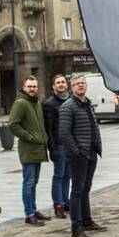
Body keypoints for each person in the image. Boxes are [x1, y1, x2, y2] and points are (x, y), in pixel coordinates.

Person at [59, 74, 106, 237]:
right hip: (79, 155)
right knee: (77, 190)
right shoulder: (68, 106)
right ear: (71, 87)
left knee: (85, 188)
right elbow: (64, 133)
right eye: (77, 84)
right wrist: (76, 152)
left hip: (91, 153)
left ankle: (87, 221)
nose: (80, 86)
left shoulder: (87, 104)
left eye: (82, 83)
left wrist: (95, 148)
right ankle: (76, 227)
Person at [7, 75, 52, 226]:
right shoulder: (21, 103)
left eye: (34, 86)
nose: (32, 89)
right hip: (29, 148)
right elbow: (13, 125)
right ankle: (29, 214)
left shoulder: (36, 103)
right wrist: (30, 137)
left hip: (38, 148)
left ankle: (33, 209)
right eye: (29, 86)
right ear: (24, 88)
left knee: (34, 182)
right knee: (29, 182)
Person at [42, 74, 72, 219]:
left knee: (68, 174)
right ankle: (58, 205)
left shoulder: (71, 100)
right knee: (59, 175)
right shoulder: (49, 104)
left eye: (63, 82)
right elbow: (49, 128)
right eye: (58, 83)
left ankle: (66, 202)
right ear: (53, 86)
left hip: (70, 144)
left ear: (66, 85)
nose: (61, 84)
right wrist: (52, 148)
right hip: (59, 145)